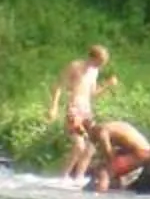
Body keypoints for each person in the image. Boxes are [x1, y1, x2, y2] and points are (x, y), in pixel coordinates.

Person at [46, 44, 111, 184]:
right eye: (100, 61)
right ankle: (63, 177)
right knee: (79, 146)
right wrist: (54, 107)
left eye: (103, 63)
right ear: (92, 57)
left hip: (87, 111)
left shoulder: (94, 71)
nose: (101, 65)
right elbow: (58, 86)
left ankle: (79, 178)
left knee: (91, 147)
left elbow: (92, 94)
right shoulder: (75, 66)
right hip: (74, 109)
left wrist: (107, 85)